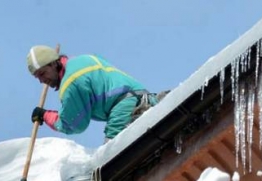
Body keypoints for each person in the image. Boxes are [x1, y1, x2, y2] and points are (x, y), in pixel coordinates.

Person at [26, 45, 165, 141]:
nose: (42, 81)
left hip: (123, 109)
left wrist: (45, 115)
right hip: (143, 96)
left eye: (42, 74)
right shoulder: (84, 59)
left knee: (113, 160)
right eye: (37, 77)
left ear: (53, 63)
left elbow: (73, 124)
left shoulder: (70, 83)